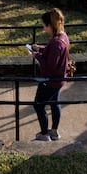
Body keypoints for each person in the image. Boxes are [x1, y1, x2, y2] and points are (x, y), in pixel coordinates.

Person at [30, 8, 70, 141]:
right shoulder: (62, 36)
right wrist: (40, 48)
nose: (43, 28)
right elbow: (52, 53)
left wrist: (37, 56)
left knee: (38, 105)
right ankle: (54, 131)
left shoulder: (56, 43)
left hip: (50, 81)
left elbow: (50, 65)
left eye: (44, 25)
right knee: (54, 103)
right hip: (59, 80)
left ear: (49, 25)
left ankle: (44, 134)